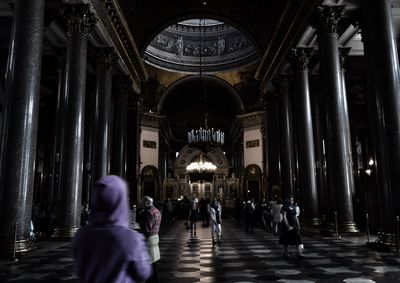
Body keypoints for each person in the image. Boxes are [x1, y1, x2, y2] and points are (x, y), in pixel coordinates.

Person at [73, 175, 152, 283]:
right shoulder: (132, 238)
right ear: (120, 200)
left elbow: (79, 270)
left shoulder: (81, 234)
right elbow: (143, 272)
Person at [140, 196, 162, 283]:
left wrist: (138, 228)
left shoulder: (149, 213)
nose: (141, 204)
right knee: (153, 263)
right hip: (156, 237)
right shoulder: (157, 211)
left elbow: (147, 229)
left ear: (146, 203)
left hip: (149, 239)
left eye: (142, 202)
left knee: (149, 265)